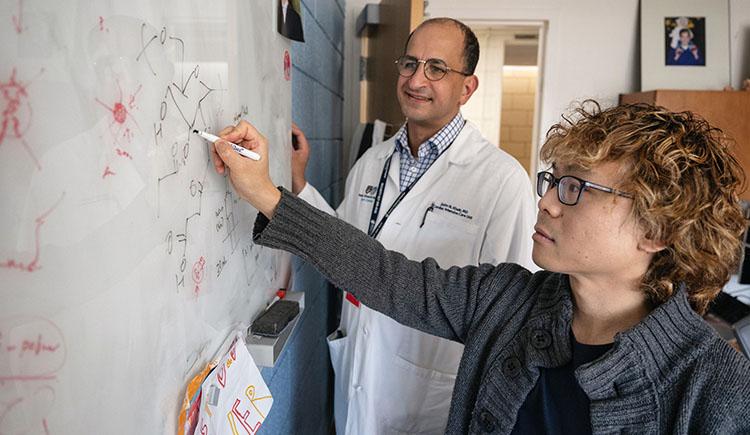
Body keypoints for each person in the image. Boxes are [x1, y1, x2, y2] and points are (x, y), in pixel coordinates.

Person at [211, 101, 750, 433]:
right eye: (553, 180)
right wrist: (266, 195)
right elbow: (383, 274)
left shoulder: (714, 386)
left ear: (656, 231)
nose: (548, 202)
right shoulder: (509, 300)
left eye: (575, 187)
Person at [289, 17, 535, 433]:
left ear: (467, 87)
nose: (416, 79)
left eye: (437, 68)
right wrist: (298, 184)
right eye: (409, 63)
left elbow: (510, 314)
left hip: (431, 395)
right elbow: (341, 250)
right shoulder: (372, 163)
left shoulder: (501, 180)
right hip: (359, 377)